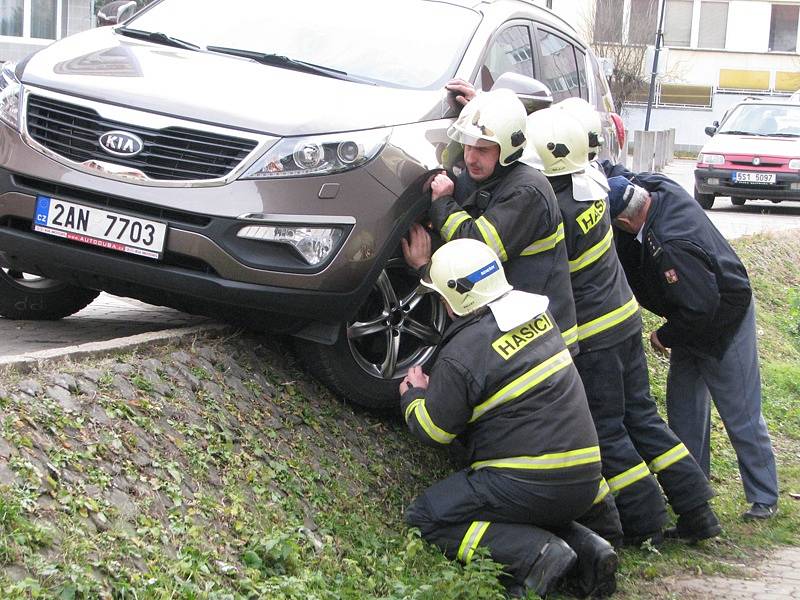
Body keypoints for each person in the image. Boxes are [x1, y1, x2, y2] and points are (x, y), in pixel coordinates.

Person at [524, 106, 721, 545]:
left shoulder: (551, 208)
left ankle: (643, 520)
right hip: (625, 320)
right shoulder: (592, 182)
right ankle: (697, 509)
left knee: (608, 429)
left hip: (595, 337)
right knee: (645, 418)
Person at [401, 238, 618, 598]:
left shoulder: (463, 353)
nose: (441, 303)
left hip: (530, 481)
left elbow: (434, 430)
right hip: (585, 481)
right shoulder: (538, 316)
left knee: (427, 517)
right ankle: (590, 551)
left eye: (442, 296)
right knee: (530, 510)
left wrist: (414, 395)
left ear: (456, 299)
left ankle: (536, 556)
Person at [605, 171, 780, 520]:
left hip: (722, 321)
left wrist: (663, 337)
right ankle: (694, 489)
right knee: (684, 408)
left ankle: (764, 497)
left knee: (740, 411)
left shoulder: (670, 245)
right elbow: (626, 175)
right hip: (689, 316)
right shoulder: (660, 190)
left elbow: (702, 308)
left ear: (624, 220)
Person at [402, 87, 579, 355]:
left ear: (509, 149)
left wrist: (441, 209)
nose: (471, 157)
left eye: (482, 149)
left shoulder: (527, 192)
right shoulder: (489, 175)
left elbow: (476, 251)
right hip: (509, 332)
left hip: (536, 342)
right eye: (468, 145)